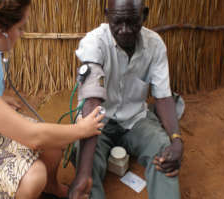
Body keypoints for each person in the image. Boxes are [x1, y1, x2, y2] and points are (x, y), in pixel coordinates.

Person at [0, 1, 105, 199]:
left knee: (54, 145)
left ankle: (52, 187)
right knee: (34, 176)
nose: (22, 33)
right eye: (20, 28)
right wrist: (82, 130)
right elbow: (32, 136)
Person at [69, 0, 184, 199]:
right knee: (85, 166)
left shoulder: (155, 44)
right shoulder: (94, 42)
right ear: (107, 15)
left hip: (137, 120)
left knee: (164, 154)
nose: (125, 30)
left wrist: (176, 140)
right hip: (98, 122)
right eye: (118, 22)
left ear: (144, 15)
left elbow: (163, 96)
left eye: (132, 22)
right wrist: (84, 174)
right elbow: (93, 101)